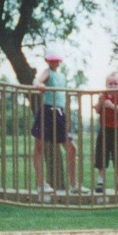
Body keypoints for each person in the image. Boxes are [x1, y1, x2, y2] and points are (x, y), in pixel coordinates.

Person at [32, 52, 79, 194]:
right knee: (39, 147)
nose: (54, 63)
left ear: (60, 61)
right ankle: (41, 184)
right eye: (51, 61)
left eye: (57, 61)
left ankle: (74, 185)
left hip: (59, 113)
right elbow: (37, 81)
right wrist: (39, 85)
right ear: (47, 61)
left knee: (71, 148)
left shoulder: (62, 76)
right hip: (47, 111)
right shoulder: (47, 72)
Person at [93, 74, 118, 192]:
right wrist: (99, 103)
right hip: (104, 129)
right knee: (101, 154)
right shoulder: (103, 95)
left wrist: (112, 106)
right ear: (106, 85)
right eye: (110, 84)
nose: (113, 86)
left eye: (115, 84)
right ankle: (100, 182)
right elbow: (98, 110)